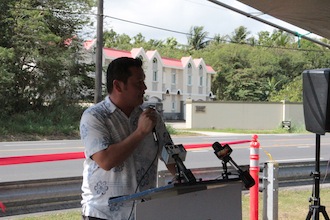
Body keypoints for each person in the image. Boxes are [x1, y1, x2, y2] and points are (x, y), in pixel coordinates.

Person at [80, 57, 176, 220]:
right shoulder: (95, 116)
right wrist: (140, 133)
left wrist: (184, 177)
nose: (144, 88)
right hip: (103, 213)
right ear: (118, 85)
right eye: (138, 83)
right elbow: (106, 161)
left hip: (143, 212)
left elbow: (169, 155)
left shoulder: (151, 116)